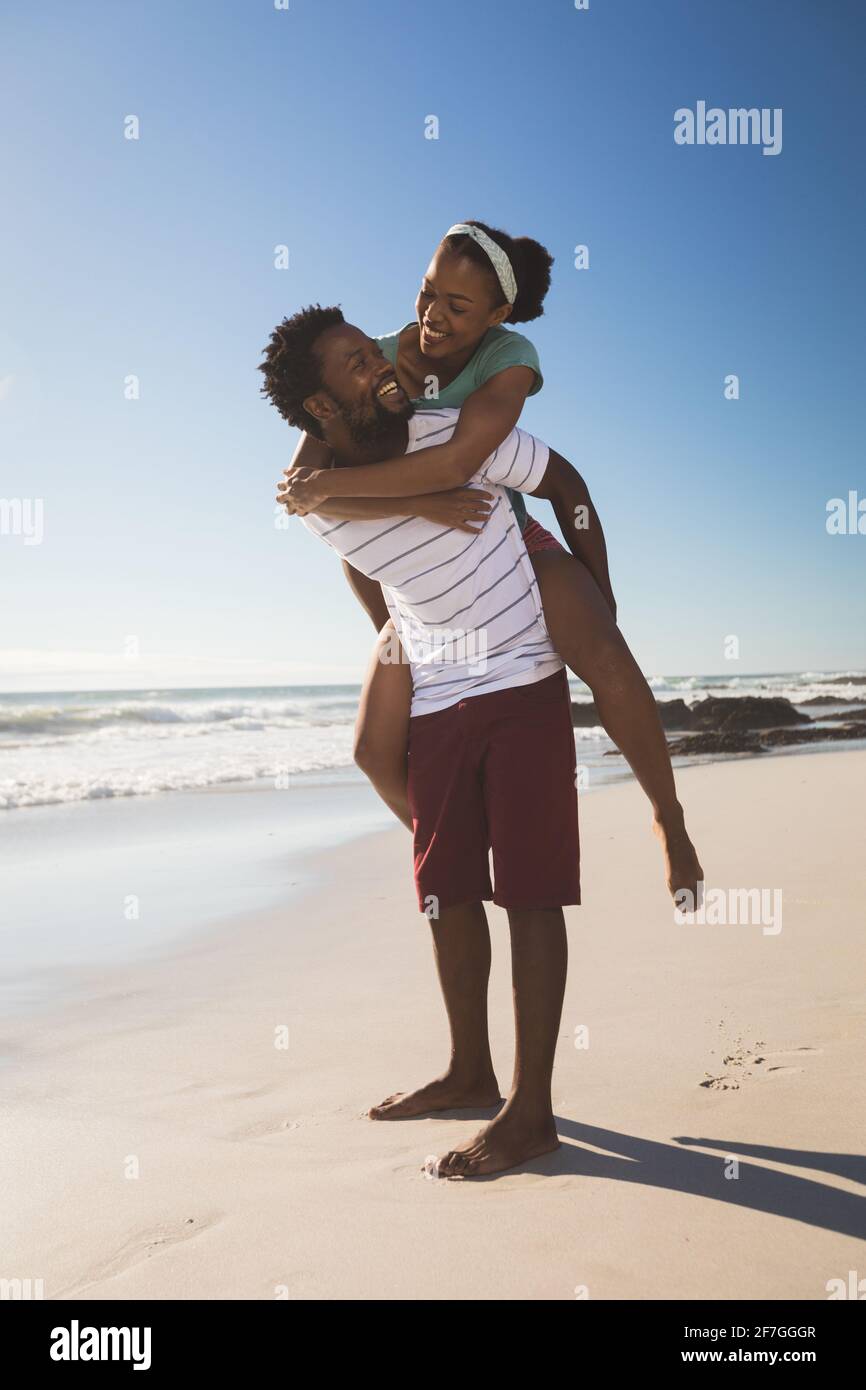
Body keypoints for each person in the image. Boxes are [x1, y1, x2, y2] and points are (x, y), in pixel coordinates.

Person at [259, 305, 590, 1179]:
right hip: (439, 680)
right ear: (323, 412)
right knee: (444, 887)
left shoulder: (438, 425)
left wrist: (595, 587)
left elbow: (553, 478)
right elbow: (352, 524)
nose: (383, 364)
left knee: (531, 894)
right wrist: (378, 507)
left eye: (373, 348)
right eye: (356, 364)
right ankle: (470, 1069)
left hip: (518, 673)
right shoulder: (323, 500)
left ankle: (533, 1111)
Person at [279, 221, 703, 900]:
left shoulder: (509, 359)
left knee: (606, 657)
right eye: (426, 293)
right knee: (371, 747)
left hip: (506, 536)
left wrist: (601, 597)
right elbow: (304, 491)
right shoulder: (378, 358)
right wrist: (396, 533)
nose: (431, 318)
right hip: (416, 579)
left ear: (497, 316)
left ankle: (669, 818)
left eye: (457, 306)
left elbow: (556, 485)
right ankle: (449, 844)